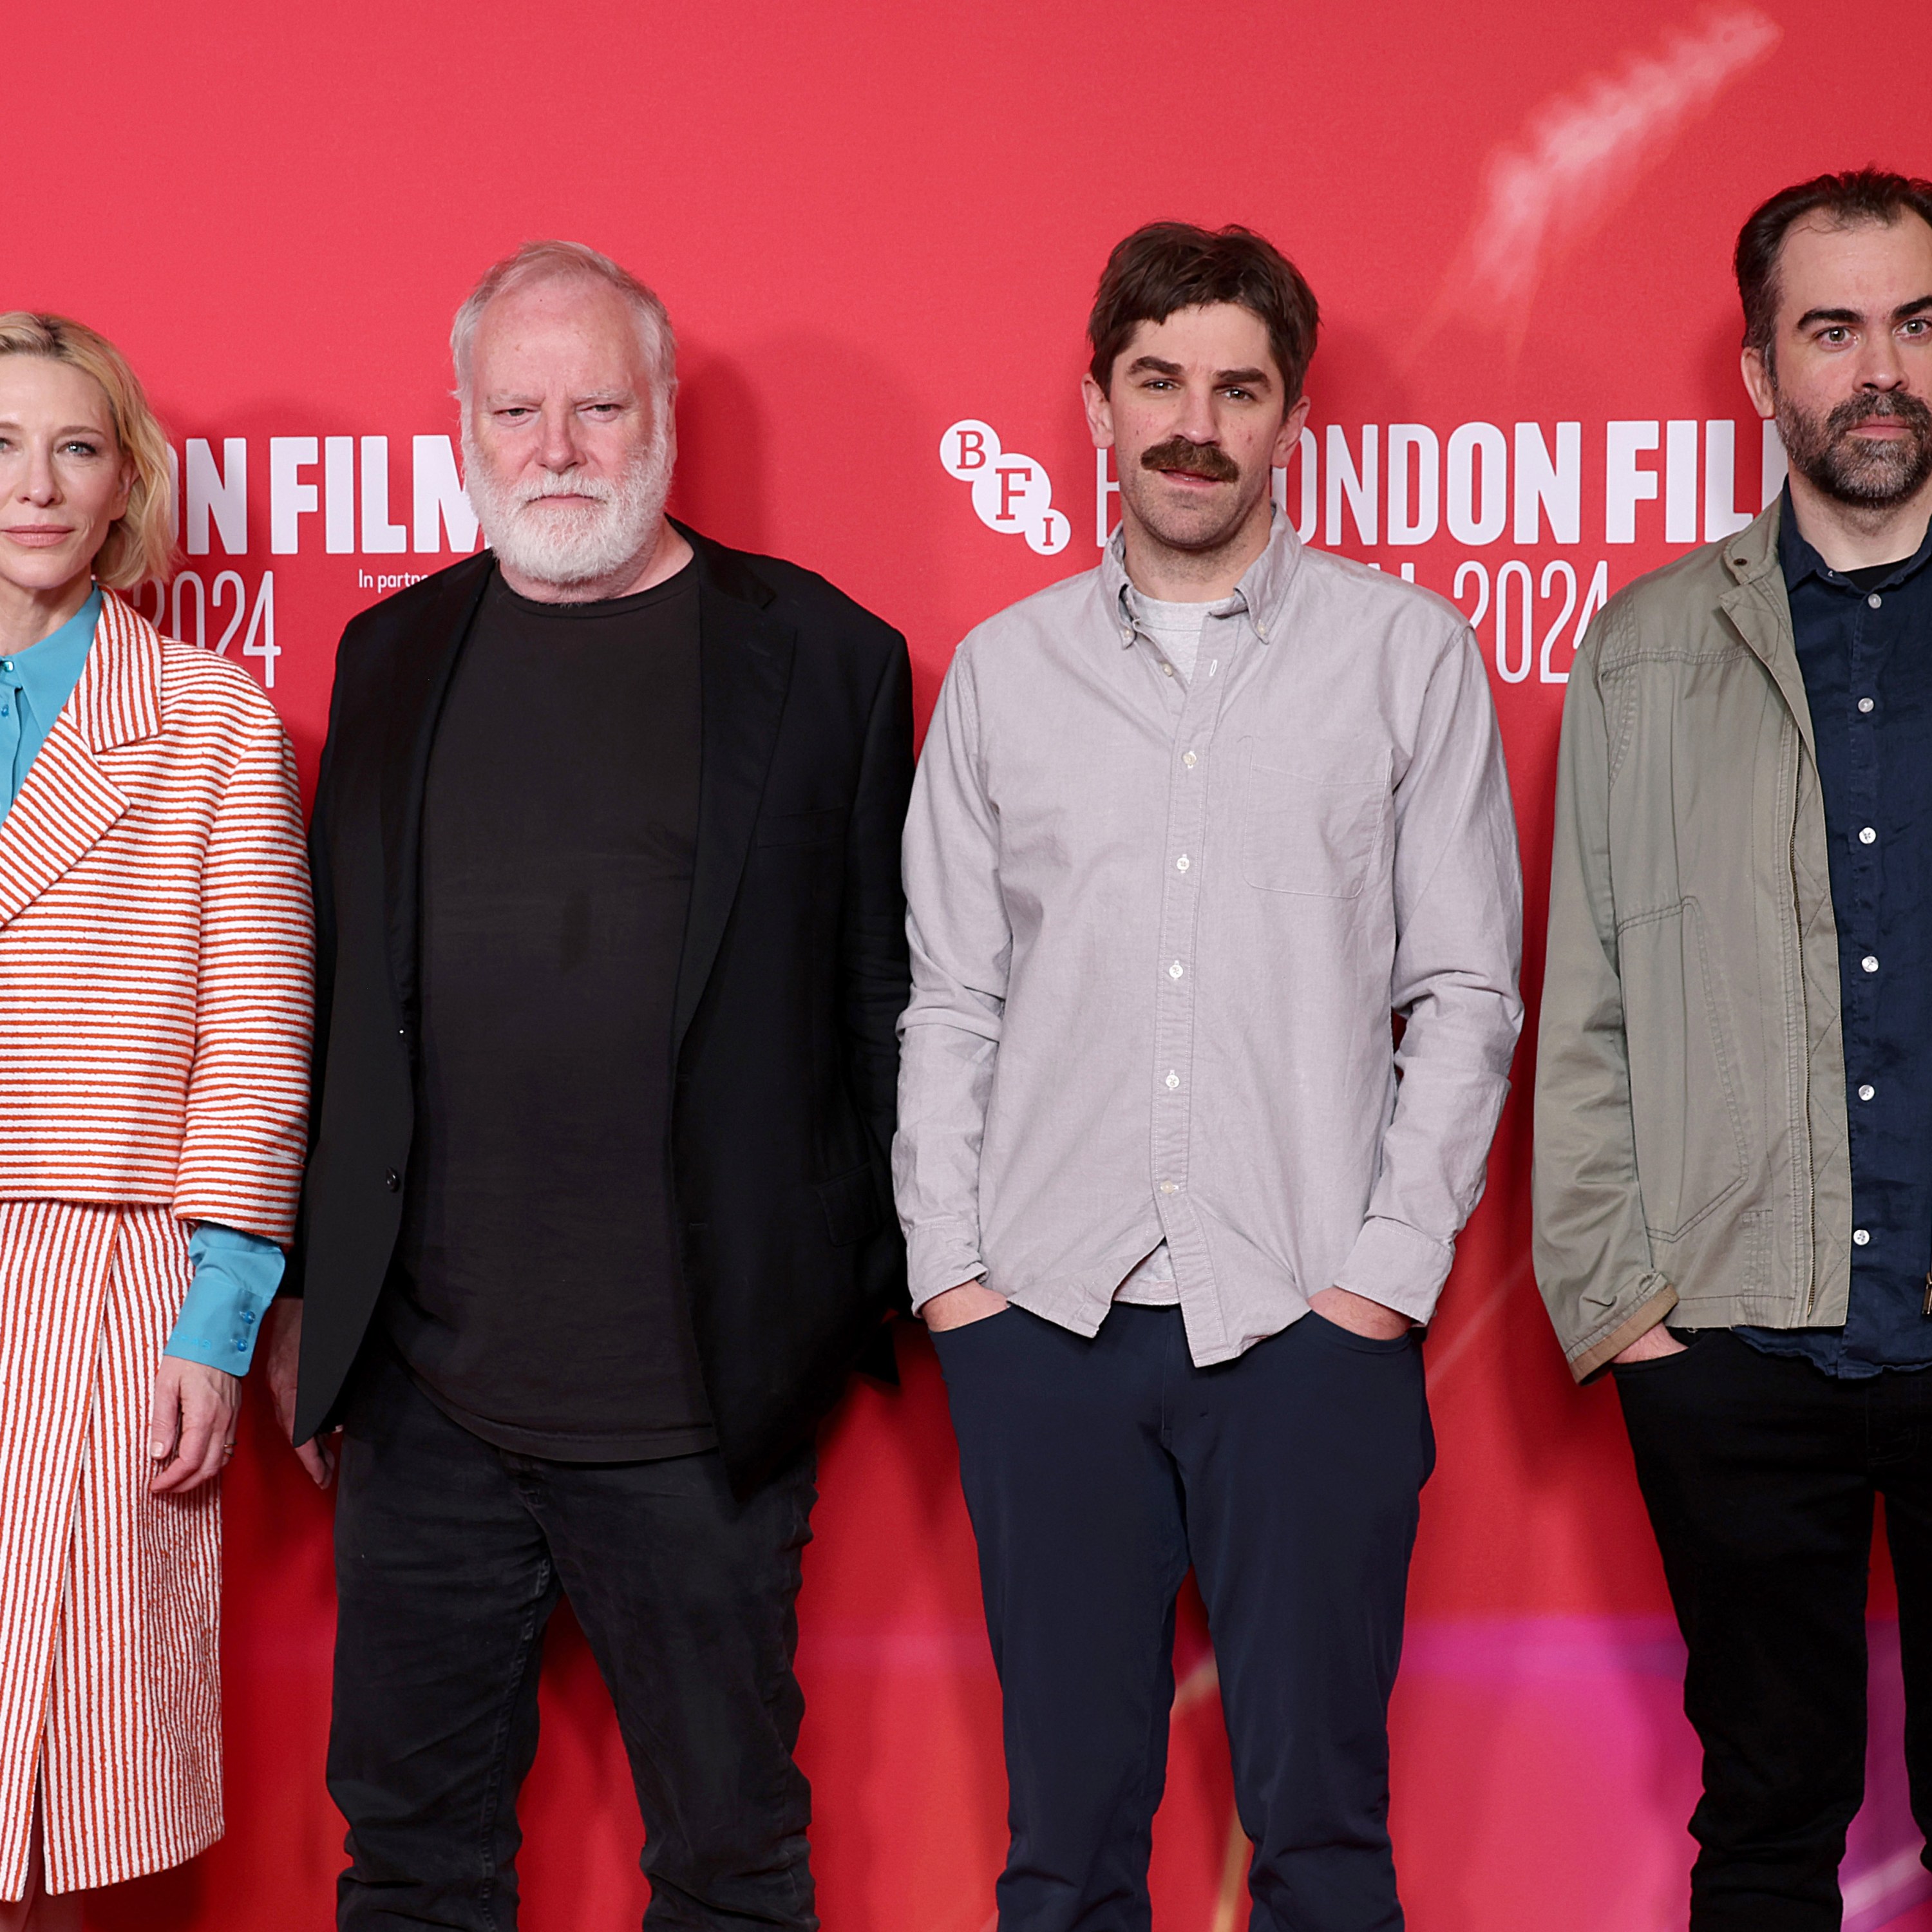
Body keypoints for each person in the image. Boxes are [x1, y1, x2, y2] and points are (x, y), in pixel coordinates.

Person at [264, 240, 911, 1930]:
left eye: (597, 406)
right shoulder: (389, 658)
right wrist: (316, 1303)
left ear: (665, 416)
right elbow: (333, 1007)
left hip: (705, 1410)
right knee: (410, 1864)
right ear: (467, 425)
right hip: (424, 1412)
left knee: (727, 1863)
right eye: (516, 409)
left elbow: (883, 1006)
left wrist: (852, 1302)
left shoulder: (830, 660)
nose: (557, 446)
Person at [895, 222, 1523, 1932]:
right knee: (1063, 1850)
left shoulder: (1406, 660)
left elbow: (1466, 998)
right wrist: (955, 1275)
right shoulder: (1007, 681)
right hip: (1045, 1326)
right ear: (1095, 401)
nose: (1197, 423)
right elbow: (950, 997)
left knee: (1322, 1840)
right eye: (1159, 381)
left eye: (1238, 389)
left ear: (1288, 415)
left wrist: (1385, 1280)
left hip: (1310, 1336)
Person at [1534, 169, 1932, 1929]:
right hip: (1740, 1350)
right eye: (1833, 330)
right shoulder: (1641, 652)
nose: (1882, 371)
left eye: (1919, 325)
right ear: (1763, 368)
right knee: (1767, 1819)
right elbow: (1589, 1004)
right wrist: (1630, 1310)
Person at [0, 314, 311, 1932]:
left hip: (102, 1273)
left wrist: (220, 1316)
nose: (35, 486)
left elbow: (260, 1036)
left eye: (73, 446)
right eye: (0, 446)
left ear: (126, 484)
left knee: (73, 1776)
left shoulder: (208, 719)